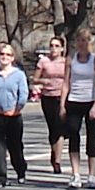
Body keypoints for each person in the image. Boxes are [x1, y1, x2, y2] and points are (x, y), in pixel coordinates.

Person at [0, 42, 31, 186]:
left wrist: (17, 108)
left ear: (12, 58)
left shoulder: (19, 75)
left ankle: (20, 170)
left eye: (8, 55)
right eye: (2, 54)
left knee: (14, 146)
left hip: (14, 116)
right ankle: (0, 178)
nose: (4, 57)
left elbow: (23, 94)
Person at [63, 29, 95, 186]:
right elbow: (66, 82)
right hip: (74, 101)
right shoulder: (70, 60)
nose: (82, 44)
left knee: (92, 139)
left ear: (90, 42)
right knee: (73, 136)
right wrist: (63, 104)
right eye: (79, 40)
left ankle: (92, 176)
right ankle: (75, 174)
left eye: (85, 40)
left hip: (91, 101)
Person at [33, 37, 72, 177]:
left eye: (57, 46)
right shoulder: (44, 61)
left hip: (62, 97)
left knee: (61, 128)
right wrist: (42, 80)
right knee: (53, 128)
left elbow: (70, 78)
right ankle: (53, 151)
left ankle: (57, 161)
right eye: (51, 46)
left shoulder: (66, 61)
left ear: (62, 48)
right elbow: (35, 78)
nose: (53, 49)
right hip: (48, 97)